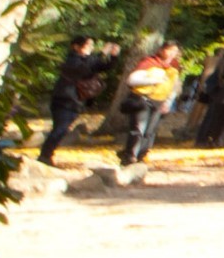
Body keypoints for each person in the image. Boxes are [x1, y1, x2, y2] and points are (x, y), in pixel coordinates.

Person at [39, 35, 117, 164]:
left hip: (76, 101)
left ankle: (47, 154)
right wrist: (102, 53)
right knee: (60, 128)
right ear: (76, 47)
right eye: (88, 45)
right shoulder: (72, 60)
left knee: (62, 129)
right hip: (64, 100)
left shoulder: (88, 59)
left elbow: (103, 66)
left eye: (92, 46)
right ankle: (45, 155)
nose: (91, 49)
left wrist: (113, 56)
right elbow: (84, 69)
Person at [114, 42, 184, 166]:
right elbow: (132, 80)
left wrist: (168, 102)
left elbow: (174, 87)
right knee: (138, 129)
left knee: (150, 132)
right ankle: (130, 156)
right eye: (169, 50)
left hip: (160, 101)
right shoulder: (149, 62)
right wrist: (154, 80)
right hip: (143, 99)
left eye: (175, 51)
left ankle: (141, 155)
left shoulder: (174, 67)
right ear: (162, 50)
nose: (172, 54)